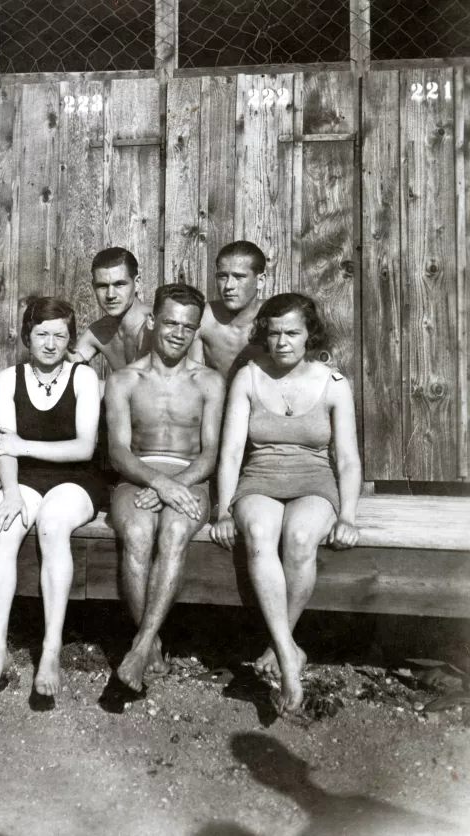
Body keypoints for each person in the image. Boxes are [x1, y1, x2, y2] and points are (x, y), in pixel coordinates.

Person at [210, 293, 361, 715]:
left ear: (310, 334)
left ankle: (279, 649)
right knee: (259, 533)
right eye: (273, 333)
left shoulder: (333, 384)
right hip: (259, 478)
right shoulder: (248, 377)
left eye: (292, 333)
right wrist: (223, 510)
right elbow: (232, 450)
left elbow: (347, 459)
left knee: (298, 537)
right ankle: (289, 661)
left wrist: (348, 515)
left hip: (315, 480)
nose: (282, 342)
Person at [0, 297, 106, 699]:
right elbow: (4, 448)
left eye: (60, 335)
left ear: (70, 338)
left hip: (76, 480)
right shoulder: (8, 379)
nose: (50, 343)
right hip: (23, 479)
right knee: (4, 529)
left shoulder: (82, 377)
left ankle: (51, 649)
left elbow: (83, 449)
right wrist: (10, 493)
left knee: (52, 524)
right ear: (28, 336)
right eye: (42, 334)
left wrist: (23, 445)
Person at [106, 283, 226, 692]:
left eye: (188, 327)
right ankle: (151, 642)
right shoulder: (124, 379)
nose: (178, 332)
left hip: (191, 479)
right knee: (137, 532)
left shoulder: (209, 382)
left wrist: (174, 485)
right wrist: (157, 483)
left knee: (174, 531)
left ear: (195, 332)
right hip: (136, 478)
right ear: (153, 321)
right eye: (171, 322)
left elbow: (210, 454)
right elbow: (118, 452)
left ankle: (140, 647)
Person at [190, 241, 267, 380]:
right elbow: (192, 378)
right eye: (222, 276)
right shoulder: (203, 317)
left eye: (239, 277)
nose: (229, 286)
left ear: (260, 281)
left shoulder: (275, 317)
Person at [71, 247, 152, 371]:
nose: (110, 295)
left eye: (119, 284)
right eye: (102, 286)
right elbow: (67, 372)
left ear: (137, 283)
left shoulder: (155, 325)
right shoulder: (98, 332)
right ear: (93, 287)